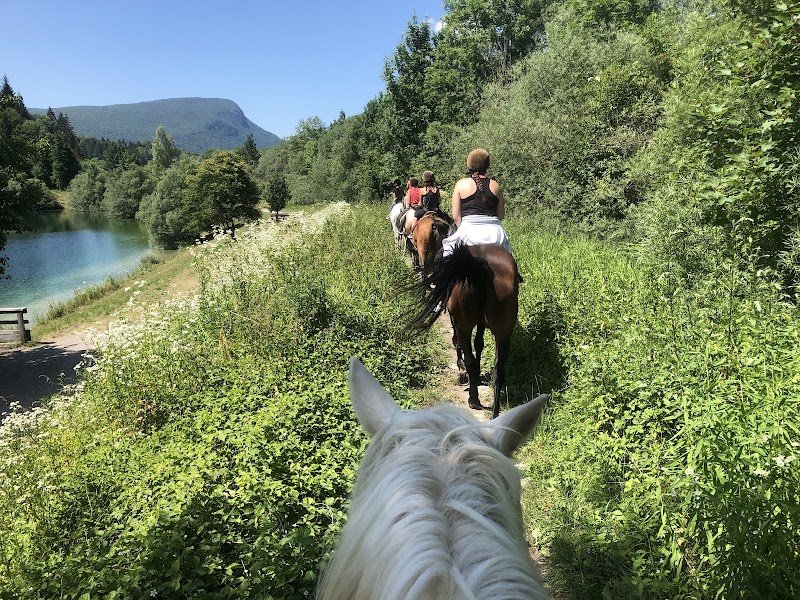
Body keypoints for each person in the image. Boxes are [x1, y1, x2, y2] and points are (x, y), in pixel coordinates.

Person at [440, 148, 511, 257]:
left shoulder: (461, 184)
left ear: (469, 165)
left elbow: (456, 216)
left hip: (469, 231)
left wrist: (462, 229)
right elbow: (501, 215)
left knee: (444, 259)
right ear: (487, 165)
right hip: (496, 234)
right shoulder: (496, 186)